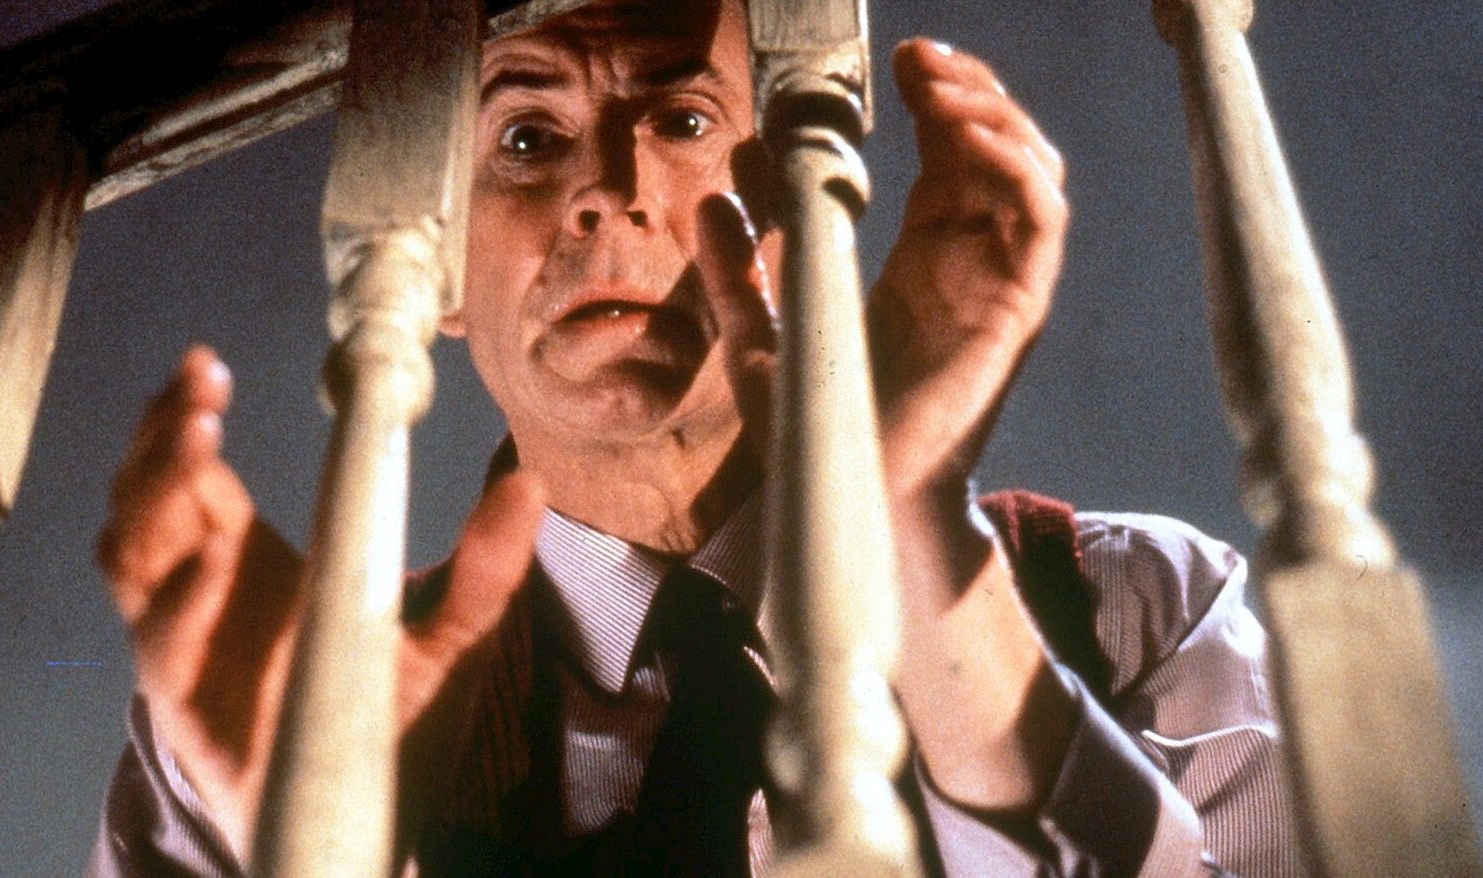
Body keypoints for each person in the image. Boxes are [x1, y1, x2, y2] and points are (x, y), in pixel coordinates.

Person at [89, 0, 1299, 874]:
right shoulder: (253, 721)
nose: (608, 188)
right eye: (527, 135)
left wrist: (916, 532)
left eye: (679, 115)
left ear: (792, 194)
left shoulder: (1141, 607)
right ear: (435, 259)